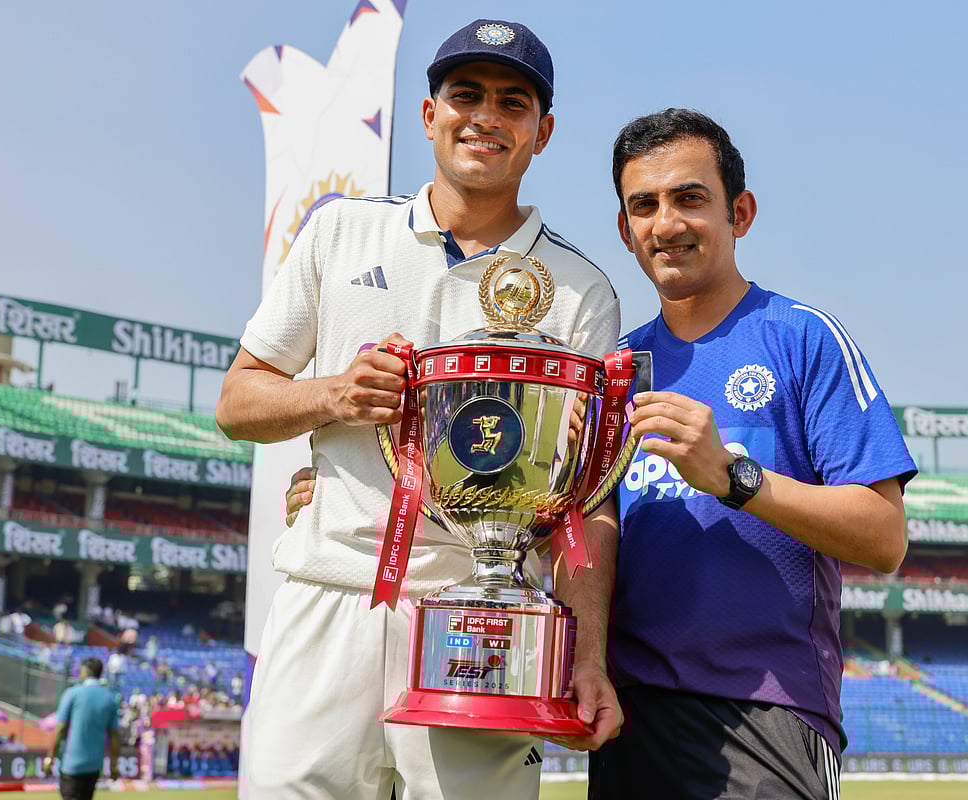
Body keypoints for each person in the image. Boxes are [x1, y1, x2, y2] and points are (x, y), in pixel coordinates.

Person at [216, 17, 622, 799]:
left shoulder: (581, 290)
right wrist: (333, 392)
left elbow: (592, 508)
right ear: (430, 114)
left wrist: (588, 655)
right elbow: (238, 402)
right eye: (465, 95)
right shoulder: (341, 231)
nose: (486, 117)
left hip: (486, 615)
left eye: (513, 103)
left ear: (542, 132)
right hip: (330, 593)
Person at [576, 108, 915, 800]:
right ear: (625, 230)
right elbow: (586, 527)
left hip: (768, 711)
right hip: (631, 716)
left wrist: (733, 476)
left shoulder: (804, 339)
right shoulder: (611, 369)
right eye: (644, 205)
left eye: (689, 198)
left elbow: (885, 537)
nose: (666, 223)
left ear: (741, 212)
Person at [43, 658, 121, 800]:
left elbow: (60, 729)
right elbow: (114, 736)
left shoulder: (72, 693)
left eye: (80, 669)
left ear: (87, 671)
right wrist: (114, 765)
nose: (78, 672)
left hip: (72, 766)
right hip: (94, 767)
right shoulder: (109, 698)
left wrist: (50, 758)